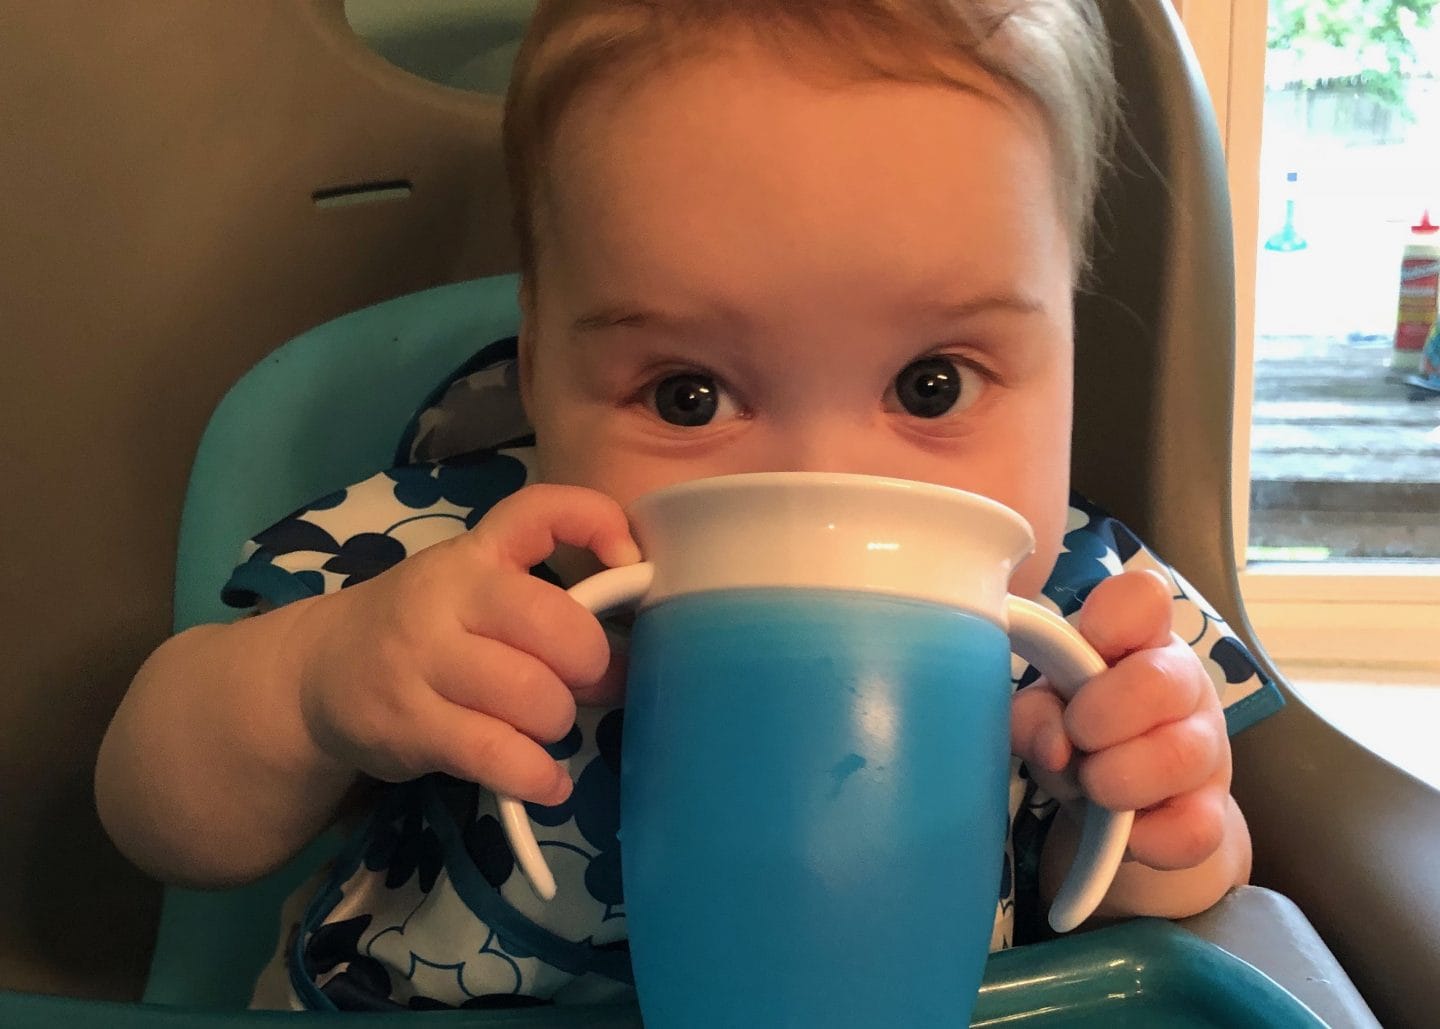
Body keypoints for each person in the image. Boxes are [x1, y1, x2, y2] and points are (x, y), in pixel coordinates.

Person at [95, 0, 1282, 1011]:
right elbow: (156, 816)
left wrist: (1148, 833)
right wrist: (315, 686)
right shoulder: (454, 564)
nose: (820, 485)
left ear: (1069, 349)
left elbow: (1174, 919)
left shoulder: (1089, 629)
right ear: (537, 355)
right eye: (688, 393)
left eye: (932, 384)